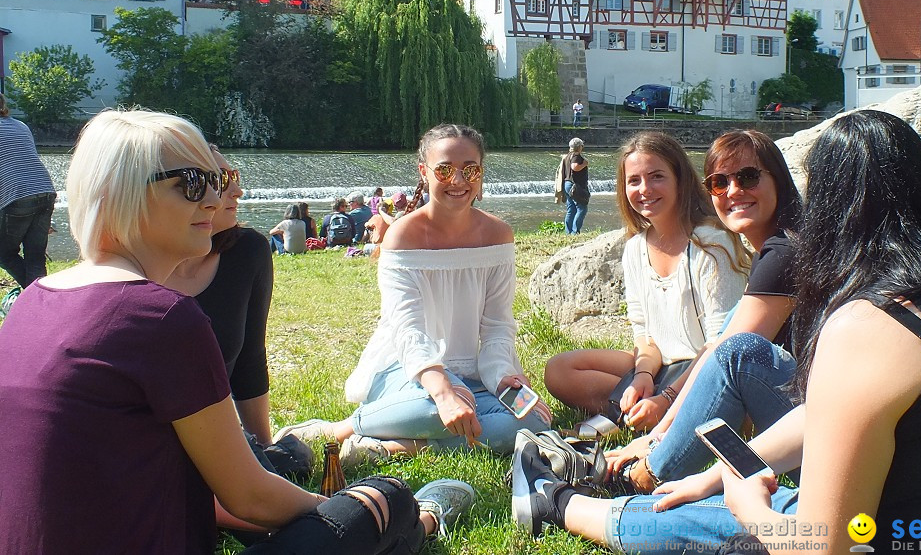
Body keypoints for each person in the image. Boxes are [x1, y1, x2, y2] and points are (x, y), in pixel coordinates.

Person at [512, 110, 921, 550]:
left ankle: (560, 503)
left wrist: (745, 503)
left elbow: (823, 547)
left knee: (759, 522)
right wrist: (719, 473)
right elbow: (835, 407)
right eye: (719, 181)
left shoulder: (869, 323)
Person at [0, 109, 474, 553]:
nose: (214, 197)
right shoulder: (160, 317)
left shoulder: (31, 302)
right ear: (125, 192)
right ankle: (422, 519)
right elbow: (249, 496)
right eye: (191, 183)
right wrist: (346, 514)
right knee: (384, 498)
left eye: (215, 179)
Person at [275, 124, 552, 462]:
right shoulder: (402, 237)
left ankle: (405, 445)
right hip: (408, 370)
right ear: (425, 171)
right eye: (445, 169)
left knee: (533, 421)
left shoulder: (498, 235)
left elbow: (497, 325)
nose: (459, 180)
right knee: (452, 404)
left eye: (471, 170)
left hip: (473, 374)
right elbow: (409, 332)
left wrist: (505, 379)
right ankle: (344, 428)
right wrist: (444, 391)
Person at [605, 129, 803, 493]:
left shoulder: (784, 254)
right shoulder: (784, 244)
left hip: (823, 442)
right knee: (733, 332)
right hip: (814, 422)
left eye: (748, 177)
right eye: (718, 182)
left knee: (737, 355)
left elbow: (721, 354)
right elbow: (715, 340)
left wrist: (656, 436)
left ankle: (647, 476)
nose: (733, 191)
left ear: (779, 178)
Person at [544, 131, 748, 438]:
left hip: (709, 371)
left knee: (730, 405)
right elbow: (645, 334)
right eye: (634, 180)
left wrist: (666, 398)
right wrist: (642, 376)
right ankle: (641, 411)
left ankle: (643, 415)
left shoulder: (713, 245)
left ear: (680, 179)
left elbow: (720, 347)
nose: (645, 189)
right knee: (559, 370)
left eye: (656, 177)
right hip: (661, 366)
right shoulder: (635, 248)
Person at [164, 151, 276, 444]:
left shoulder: (246, 251)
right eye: (219, 179)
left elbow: (249, 361)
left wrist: (265, 449)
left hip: (215, 442)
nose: (236, 192)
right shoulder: (131, 271)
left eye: (233, 177)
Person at [0, 92, 57, 293]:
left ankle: (38, 298)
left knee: (4, 254)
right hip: (45, 190)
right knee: (35, 256)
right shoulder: (20, 126)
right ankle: (43, 302)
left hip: (18, 195)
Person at [557, 137, 590, 235]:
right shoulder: (576, 156)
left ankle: (568, 232)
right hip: (574, 186)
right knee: (582, 208)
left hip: (567, 184)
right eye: (582, 146)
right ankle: (575, 232)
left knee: (571, 209)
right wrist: (584, 164)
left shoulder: (567, 156)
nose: (582, 147)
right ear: (579, 147)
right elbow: (574, 167)